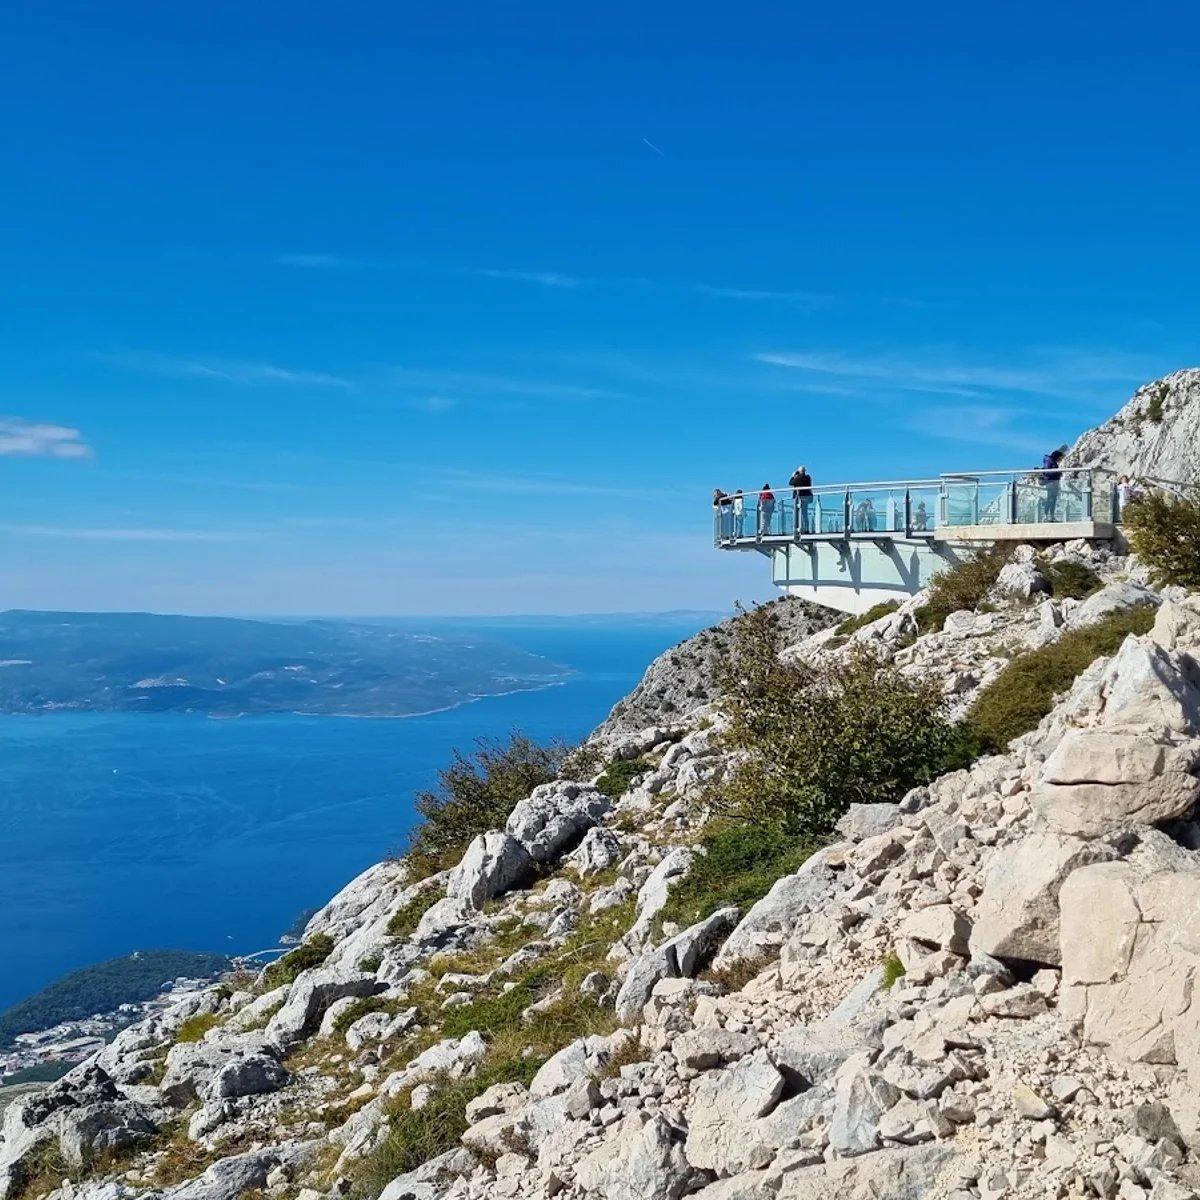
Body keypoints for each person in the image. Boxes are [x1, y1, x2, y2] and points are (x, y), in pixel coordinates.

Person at [1040, 446, 1067, 521]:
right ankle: (1046, 515)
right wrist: (1057, 473)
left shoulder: (1052, 461)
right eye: (1059, 458)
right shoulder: (1049, 461)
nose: (1060, 459)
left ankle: (1051, 516)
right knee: (1050, 499)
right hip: (1050, 483)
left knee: (1053, 500)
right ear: (1056, 456)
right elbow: (1047, 472)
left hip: (1054, 483)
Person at [789, 465, 813, 534]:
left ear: (799, 471)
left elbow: (791, 483)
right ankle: (806, 529)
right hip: (807, 496)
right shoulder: (808, 477)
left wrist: (793, 476)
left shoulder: (798, 478)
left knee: (798, 514)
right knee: (804, 514)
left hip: (799, 498)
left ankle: (800, 529)